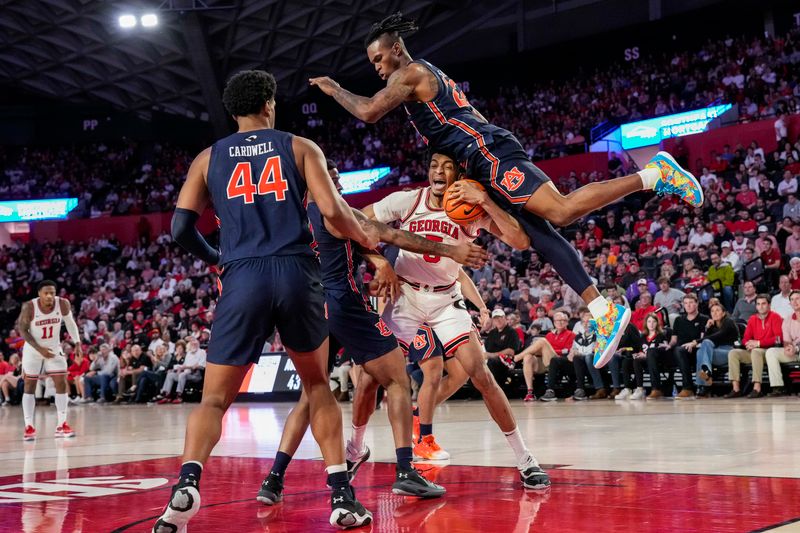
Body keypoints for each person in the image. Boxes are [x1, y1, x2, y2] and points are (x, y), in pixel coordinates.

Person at [310, 12, 703, 369]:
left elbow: (368, 112)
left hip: (486, 152)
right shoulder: (423, 77)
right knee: (538, 236)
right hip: (478, 157)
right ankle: (602, 310)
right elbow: (462, 119)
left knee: (561, 211)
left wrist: (334, 90)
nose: (377, 68)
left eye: (378, 59)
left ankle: (653, 174)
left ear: (396, 49)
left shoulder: (409, 72)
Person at [153, 70, 377, 532]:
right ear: (269, 104)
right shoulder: (299, 146)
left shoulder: (206, 158)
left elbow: (179, 229)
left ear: (234, 110)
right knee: (317, 387)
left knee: (213, 399)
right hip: (296, 270)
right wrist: (368, 245)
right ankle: (341, 497)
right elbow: (333, 211)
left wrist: (219, 259)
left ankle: (188, 483)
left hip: (242, 276)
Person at [257, 157, 489, 504]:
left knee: (309, 396)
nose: (336, 184)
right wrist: (448, 249)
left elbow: (363, 243)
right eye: (331, 178)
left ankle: (273, 479)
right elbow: (390, 234)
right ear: (316, 181)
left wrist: (379, 261)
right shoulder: (336, 210)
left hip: (305, 309)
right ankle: (405, 471)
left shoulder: (285, 219)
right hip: (343, 304)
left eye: (336, 178)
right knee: (396, 380)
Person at [361, 150, 550, 489]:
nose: (438, 171)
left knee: (481, 374)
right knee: (370, 375)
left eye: (447, 167)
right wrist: (380, 263)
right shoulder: (408, 200)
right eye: (434, 165)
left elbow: (520, 240)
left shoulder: (471, 210)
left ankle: (525, 459)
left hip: (447, 298)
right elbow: (357, 221)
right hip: (405, 296)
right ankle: (353, 448)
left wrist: (487, 202)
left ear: (458, 174)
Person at [16, 280, 82, 440]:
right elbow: (22, 330)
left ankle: (62, 424)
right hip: (33, 350)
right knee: (30, 385)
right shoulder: (29, 307)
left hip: (53, 348)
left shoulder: (63, 304)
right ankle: (29, 426)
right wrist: (40, 349)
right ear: (39, 294)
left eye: (52, 292)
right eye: (46, 293)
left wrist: (78, 342)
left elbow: (70, 323)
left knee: (61, 382)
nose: (49, 296)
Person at [725, 295, 783, 399]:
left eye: (763, 304)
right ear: (756, 306)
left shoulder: (775, 317)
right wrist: (748, 343)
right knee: (733, 353)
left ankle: (757, 388)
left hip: (769, 352)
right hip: (754, 351)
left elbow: (778, 338)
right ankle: (736, 388)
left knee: (756, 351)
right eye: (758, 304)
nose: (761, 306)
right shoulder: (752, 319)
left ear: (769, 305)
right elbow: (745, 338)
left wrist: (758, 343)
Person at [516, 311, 575, 402]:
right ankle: (530, 392)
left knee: (542, 341)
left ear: (567, 322)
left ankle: (515, 358)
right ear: (554, 323)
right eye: (557, 320)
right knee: (528, 357)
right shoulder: (549, 335)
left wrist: (546, 349)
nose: (560, 322)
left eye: (563, 320)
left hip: (560, 361)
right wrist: (542, 350)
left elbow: (567, 351)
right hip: (546, 361)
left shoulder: (571, 334)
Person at [668, 294, 708, 399]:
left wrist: (694, 344)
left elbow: (704, 339)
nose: (688, 306)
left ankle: (687, 387)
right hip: (680, 352)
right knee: (675, 350)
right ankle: (659, 389)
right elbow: (674, 340)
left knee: (679, 350)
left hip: (696, 351)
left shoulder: (704, 319)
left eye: (691, 303)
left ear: (697, 303)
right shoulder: (678, 320)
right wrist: (668, 345)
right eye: (685, 303)